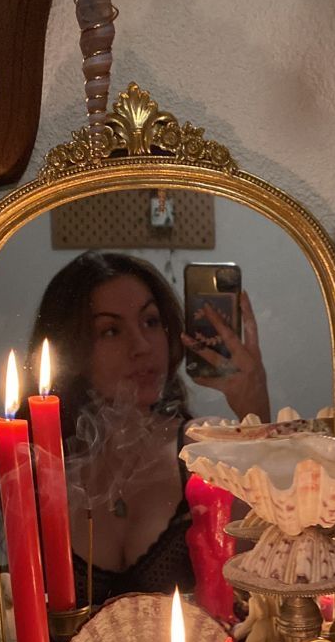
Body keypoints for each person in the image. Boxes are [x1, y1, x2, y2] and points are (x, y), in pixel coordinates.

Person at [26, 251, 269, 606]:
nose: (142, 346)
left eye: (151, 321)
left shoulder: (202, 453)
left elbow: (254, 588)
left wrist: (255, 416)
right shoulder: (43, 464)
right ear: (72, 350)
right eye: (110, 330)